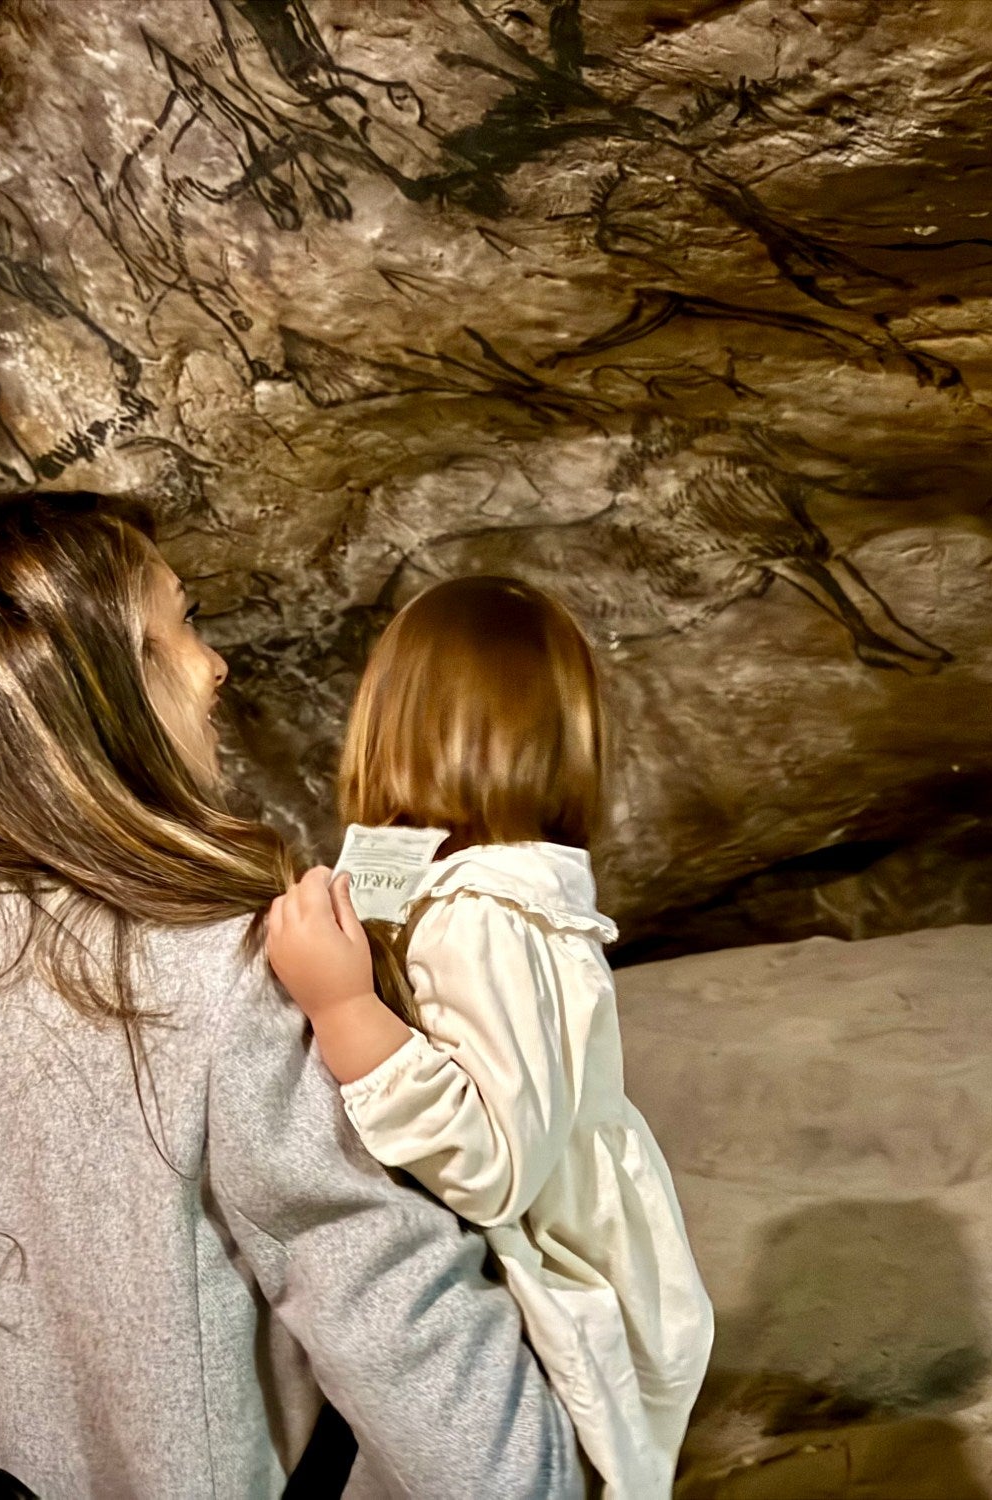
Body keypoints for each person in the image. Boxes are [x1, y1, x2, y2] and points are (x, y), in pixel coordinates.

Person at [0, 494, 582, 1499]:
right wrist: (536, 1472)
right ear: (100, 688)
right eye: (181, 623)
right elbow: (384, 1305)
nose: (214, 663)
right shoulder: (216, 967)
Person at [266, 576, 714, 1498]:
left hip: (550, 1280)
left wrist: (345, 1011)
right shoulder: (433, 879)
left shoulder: (488, 915)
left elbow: (498, 1166)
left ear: (396, 720)